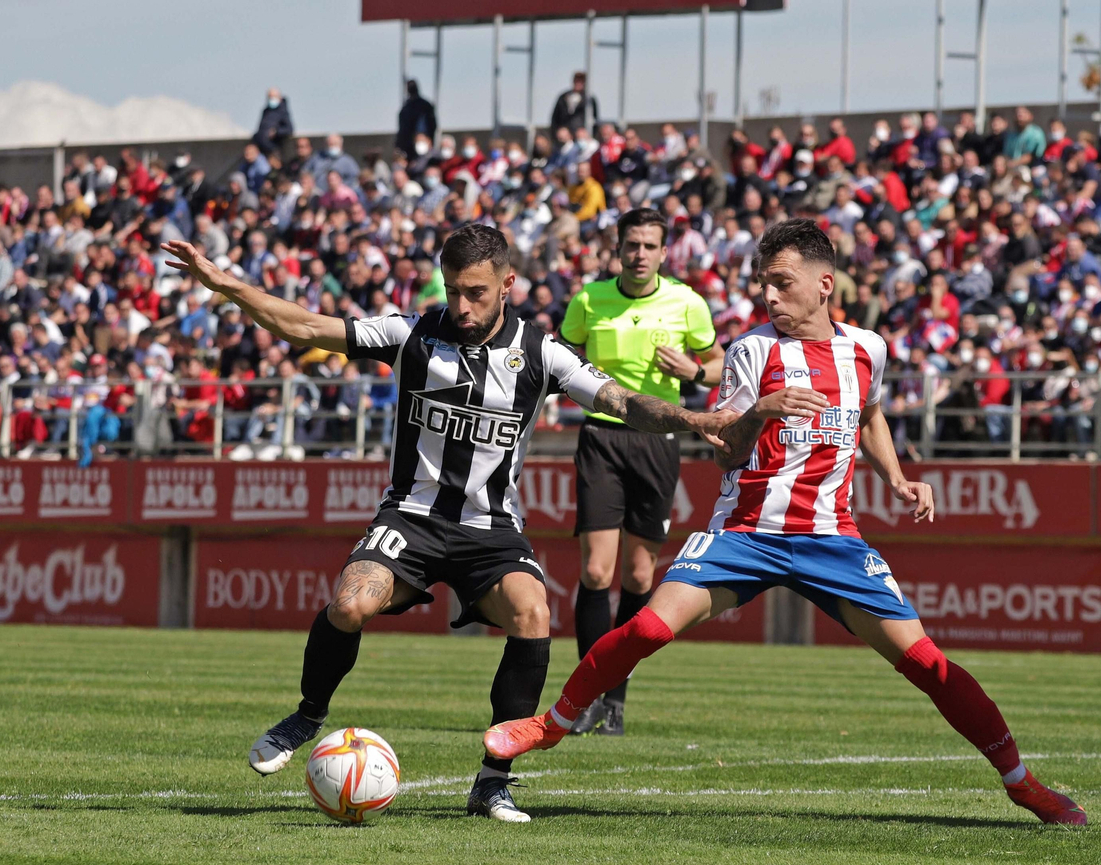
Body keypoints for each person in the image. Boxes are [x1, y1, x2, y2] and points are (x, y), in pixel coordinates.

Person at [482, 219, 1089, 827]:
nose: (768, 297)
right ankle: (552, 724)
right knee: (646, 631)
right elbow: (725, 450)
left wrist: (898, 478)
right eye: (761, 285)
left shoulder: (867, 348)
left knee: (929, 664)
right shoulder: (752, 351)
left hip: (831, 537)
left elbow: (870, 415)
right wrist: (761, 411)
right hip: (745, 532)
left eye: (781, 283)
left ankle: (1022, 784)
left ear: (824, 284)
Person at [159, 225, 731, 824]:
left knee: (533, 613)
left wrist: (694, 419)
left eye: (475, 293)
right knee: (351, 603)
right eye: (453, 290)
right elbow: (305, 326)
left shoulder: (539, 352)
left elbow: (619, 400)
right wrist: (225, 284)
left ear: (507, 285)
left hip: (492, 528)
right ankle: (307, 713)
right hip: (412, 516)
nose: (460, 306)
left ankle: (492, 782)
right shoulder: (411, 332)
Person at [557, 207, 725, 735]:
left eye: (650, 246)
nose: (639, 254)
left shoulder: (686, 302)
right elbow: (565, 354)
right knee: (597, 572)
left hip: (658, 439)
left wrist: (696, 372)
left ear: (663, 251)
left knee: (638, 576)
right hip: (601, 436)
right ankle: (583, 697)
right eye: (632, 245)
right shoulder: (588, 299)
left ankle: (616, 700)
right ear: (619, 247)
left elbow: (718, 359)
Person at [396, 80, 438, 159]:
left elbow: (432, 124)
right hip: (411, 143)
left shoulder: (410, 107)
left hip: (420, 141)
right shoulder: (409, 107)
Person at [551, 71, 599, 139]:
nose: (578, 83)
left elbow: (595, 119)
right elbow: (555, 117)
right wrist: (558, 131)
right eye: (577, 80)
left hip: (583, 138)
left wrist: (588, 134)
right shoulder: (563, 97)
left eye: (581, 81)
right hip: (565, 137)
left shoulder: (589, 99)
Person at [252, 88, 294, 156]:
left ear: (279, 97)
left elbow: (289, 129)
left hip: (273, 148)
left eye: (273, 97)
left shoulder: (282, 111)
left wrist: (276, 132)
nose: (271, 99)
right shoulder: (266, 111)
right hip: (261, 147)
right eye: (269, 97)